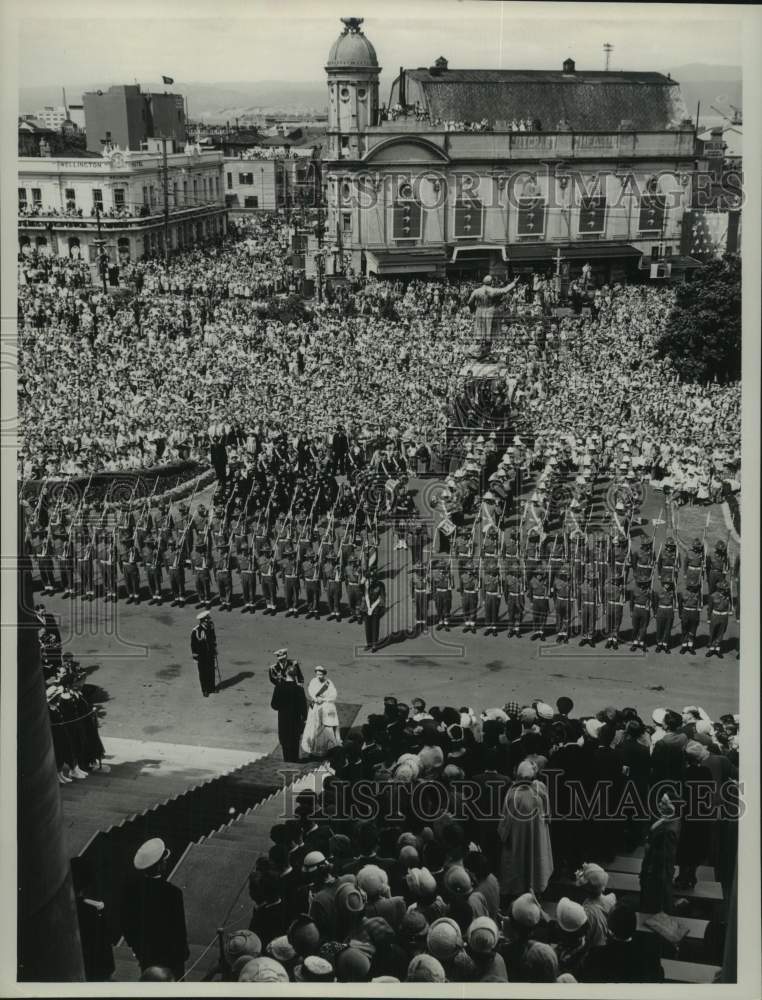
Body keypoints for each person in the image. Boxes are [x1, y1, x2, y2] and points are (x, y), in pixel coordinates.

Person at [120, 838, 189, 981]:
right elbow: (179, 930)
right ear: (159, 866)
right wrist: (182, 955)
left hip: (147, 956)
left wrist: (139, 950)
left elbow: (127, 926)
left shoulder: (131, 892)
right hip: (172, 958)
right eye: (163, 860)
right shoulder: (172, 893)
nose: (166, 862)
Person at [497, 760, 553, 901]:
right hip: (537, 836)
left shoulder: (512, 794)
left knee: (519, 862)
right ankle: (537, 889)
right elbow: (548, 815)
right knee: (536, 862)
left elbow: (505, 822)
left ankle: (519, 892)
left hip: (518, 838)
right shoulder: (540, 789)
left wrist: (502, 835)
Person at [639, 794, 681, 914]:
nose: (659, 805)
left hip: (655, 877)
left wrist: (648, 875)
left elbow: (662, 862)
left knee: (652, 910)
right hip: (653, 871)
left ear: (672, 807)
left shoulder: (668, 832)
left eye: (663, 803)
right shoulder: (669, 820)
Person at [269, 657, 308, 763]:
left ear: (286, 673)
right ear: (295, 675)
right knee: (295, 740)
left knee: (284, 740)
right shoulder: (299, 689)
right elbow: (304, 707)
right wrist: (304, 718)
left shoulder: (279, 687)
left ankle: (287, 760)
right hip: (295, 720)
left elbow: (274, 705)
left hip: (283, 719)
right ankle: (294, 759)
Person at [301, 666, 340, 758]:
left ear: (324, 674)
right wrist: (315, 698)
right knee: (314, 727)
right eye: (317, 674)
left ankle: (325, 749)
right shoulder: (313, 681)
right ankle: (312, 747)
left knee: (325, 728)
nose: (319, 676)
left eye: (321, 674)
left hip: (325, 708)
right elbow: (310, 691)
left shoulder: (329, 683)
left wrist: (324, 699)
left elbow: (334, 695)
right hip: (315, 708)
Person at [190, 610, 218, 697]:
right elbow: (193, 645)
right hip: (201, 655)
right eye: (207, 619)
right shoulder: (196, 630)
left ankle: (211, 687)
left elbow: (213, 638)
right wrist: (195, 657)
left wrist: (214, 649)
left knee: (211, 671)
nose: (209, 620)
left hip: (210, 653)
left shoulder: (211, 626)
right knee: (203, 672)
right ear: (203, 620)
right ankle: (205, 690)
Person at [363, 571, 385, 652]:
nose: (371, 579)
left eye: (373, 578)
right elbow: (366, 595)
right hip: (367, 607)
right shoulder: (367, 584)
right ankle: (369, 643)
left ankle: (374, 645)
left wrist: (372, 608)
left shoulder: (380, 585)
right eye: (370, 578)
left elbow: (380, 598)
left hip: (376, 607)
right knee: (367, 626)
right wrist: (368, 608)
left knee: (375, 626)